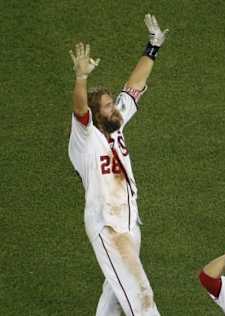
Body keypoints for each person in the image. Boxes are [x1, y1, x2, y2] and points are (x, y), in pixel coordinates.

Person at [68, 13, 168, 316]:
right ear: (97, 114)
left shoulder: (115, 125)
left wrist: (153, 47)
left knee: (113, 291)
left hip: (129, 220)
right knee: (140, 295)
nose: (116, 109)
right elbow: (80, 107)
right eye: (109, 106)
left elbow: (134, 85)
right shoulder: (86, 137)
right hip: (107, 225)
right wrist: (81, 77)